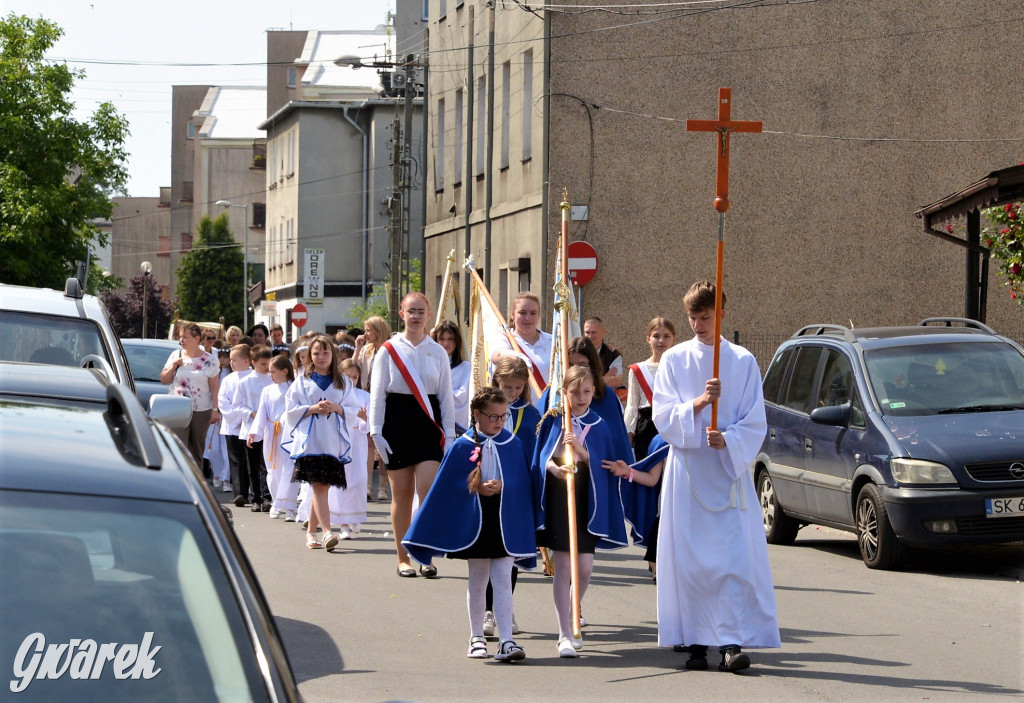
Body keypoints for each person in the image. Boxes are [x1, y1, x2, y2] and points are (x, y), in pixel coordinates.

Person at [652, 280, 780, 672]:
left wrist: (729, 440)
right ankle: (695, 642)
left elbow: (755, 420)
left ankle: (729, 642)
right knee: (691, 561)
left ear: (721, 314)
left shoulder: (742, 361)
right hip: (689, 471)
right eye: (692, 317)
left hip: (727, 473)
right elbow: (662, 414)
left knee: (731, 561)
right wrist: (699, 402)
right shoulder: (674, 359)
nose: (697, 325)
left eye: (705, 317)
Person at [402, 387, 538, 663]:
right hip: (475, 520)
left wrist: (504, 486)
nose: (499, 422)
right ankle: (476, 637)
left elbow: (524, 482)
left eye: (503, 416)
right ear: (477, 414)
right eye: (493, 417)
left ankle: (506, 641)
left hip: (504, 520)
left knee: (503, 578)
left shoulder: (513, 444)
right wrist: (477, 488)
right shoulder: (461, 446)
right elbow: (448, 486)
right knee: (478, 577)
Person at [534, 366, 629, 658]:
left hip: (588, 498)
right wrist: (554, 468)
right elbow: (541, 458)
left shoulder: (599, 424)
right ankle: (564, 633)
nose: (581, 397)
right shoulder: (554, 419)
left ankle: (573, 612)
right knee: (564, 566)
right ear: (564, 392)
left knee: (585, 568)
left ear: (593, 392)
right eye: (574, 392)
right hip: (561, 496)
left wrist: (582, 450)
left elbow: (604, 463)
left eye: (586, 391)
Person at [369, 292, 455, 578]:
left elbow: (445, 397)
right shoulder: (388, 350)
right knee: (402, 494)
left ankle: (425, 555)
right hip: (396, 422)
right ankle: (402, 558)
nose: (416, 316)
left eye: (421, 311)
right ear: (402, 314)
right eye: (411, 311)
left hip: (428, 424)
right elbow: (377, 393)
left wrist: (450, 435)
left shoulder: (437, 351)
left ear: (428, 315)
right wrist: (375, 431)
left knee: (427, 492)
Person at [284, 335, 361, 552]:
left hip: (332, 442)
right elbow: (290, 410)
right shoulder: (302, 381)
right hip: (310, 442)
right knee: (319, 486)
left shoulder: (343, 381)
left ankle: (311, 532)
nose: (321, 357)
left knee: (322, 487)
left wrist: (337, 408)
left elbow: (353, 409)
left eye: (325, 352)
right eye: (316, 353)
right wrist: (312, 409)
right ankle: (327, 532)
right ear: (310, 355)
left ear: (333, 355)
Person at [482, 355, 541, 637]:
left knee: (510, 555)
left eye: (518, 387)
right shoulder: (484, 409)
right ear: (496, 381)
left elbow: (535, 455)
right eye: (507, 386)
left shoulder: (531, 415)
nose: (512, 392)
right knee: (486, 554)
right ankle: (487, 610)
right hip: (485, 491)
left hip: (515, 494)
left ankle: (505, 609)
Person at [161, 322, 221, 469]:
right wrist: (174, 366)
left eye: (185, 337)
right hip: (177, 408)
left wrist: (215, 409)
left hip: (201, 410)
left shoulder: (210, 360)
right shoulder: (176, 355)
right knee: (179, 447)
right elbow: (164, 379)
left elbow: (215, 387)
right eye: (180, 337)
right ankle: (179, 478)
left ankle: (196, 479)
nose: (181, 340)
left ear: (196, 338)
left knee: (196, 449)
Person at [249, 354, 298, 521]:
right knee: (272, 469)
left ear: (285, 371)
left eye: (273, 371)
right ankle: (277, 502)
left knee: (289, 470)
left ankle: (290, 507)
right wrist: (254, 432)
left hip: (288, 433)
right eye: (269, 372)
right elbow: (262, 413)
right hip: (271, 433)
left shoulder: (294, 388)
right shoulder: (267, 390)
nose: (270, 375)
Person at [624, 318, 677, 459]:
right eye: (656, 336)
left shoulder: (680, 367)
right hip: (647, 428)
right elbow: (632, 406)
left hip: (673, 424)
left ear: (674, 339)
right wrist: (628, 439)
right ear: (648, 338)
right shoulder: (638, 369)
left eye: (666, 336)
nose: (661, 341)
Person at [491, 292, 552, 405]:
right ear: (512, 315)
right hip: (516, 408)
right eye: (522, 313)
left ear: (539, 315)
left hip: (548, 409)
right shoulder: (504, 339)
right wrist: (519, 357)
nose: (527, 318)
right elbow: (497, 356)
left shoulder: (552, 341)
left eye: (533, 313)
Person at [355, 315, 392, 501]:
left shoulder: (391, 349)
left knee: (383, 442)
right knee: (368, 443)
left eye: (369, 330)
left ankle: (383, 488)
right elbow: (353, 368)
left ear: (379, 330)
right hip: (368, 398)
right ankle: (368, 486)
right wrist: (357, 348)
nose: (366, 333)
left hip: (385, 399)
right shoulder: (366, 350)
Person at [333, 359, 370, 539]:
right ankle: (344, 524)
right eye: (348, 376)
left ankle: (355, 515)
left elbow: (370, 422)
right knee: (341, 480)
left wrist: (364, 418)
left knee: (358, 479)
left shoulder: (364, 396)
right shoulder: (335, 394)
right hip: (339, 440)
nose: (351, 380)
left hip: (357, 441)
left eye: (355, 377)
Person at [236, 345, 274, 512]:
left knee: (267, 464)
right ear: (253, 362)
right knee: (253, 464)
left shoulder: (273, 379)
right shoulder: (245, 382)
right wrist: (251, 413)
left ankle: (267, 497)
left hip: (270, 427)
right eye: (263, 364)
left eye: (268, 363)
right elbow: (236, 405)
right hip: (252, 427)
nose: (267, 367)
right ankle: (256, 498)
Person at [219, 344, 253, 507]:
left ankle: (255, 491)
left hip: (250, 425)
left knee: (251, 459)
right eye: (230, 360)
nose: (231, 363)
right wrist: (236, 418)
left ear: (246, 361)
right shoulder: (228, 380)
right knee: (236, 459)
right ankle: (240, 493)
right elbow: (223, 401)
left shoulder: (254, 378)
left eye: (234, 360)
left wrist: (245, 418)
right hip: (232, 426)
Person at [432, 319, 471, 432]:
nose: (446, 343)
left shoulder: (465, 367)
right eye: (442, 339)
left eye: (450, 339)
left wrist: (438, 391)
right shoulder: (428, 366)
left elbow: (461, 397)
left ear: (457, 341)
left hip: (456, 425)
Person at [205, 347, 233, 493]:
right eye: (220, 357)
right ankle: (217, 473)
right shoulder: (215, 373)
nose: (223, 360)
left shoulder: (233, 375)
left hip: (228, 415)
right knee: (214, 448)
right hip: (216, 414)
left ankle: (226, 478)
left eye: (226, 357)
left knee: (226, 448)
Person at [583, 317, 623, 391]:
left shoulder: (613, 354)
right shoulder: (578, 352)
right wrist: (603, 378)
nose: (590, 336)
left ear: (603, 332)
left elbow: (616, 381)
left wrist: (588, 380)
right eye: (587, 332)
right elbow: (575, 379)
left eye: (594, 332)